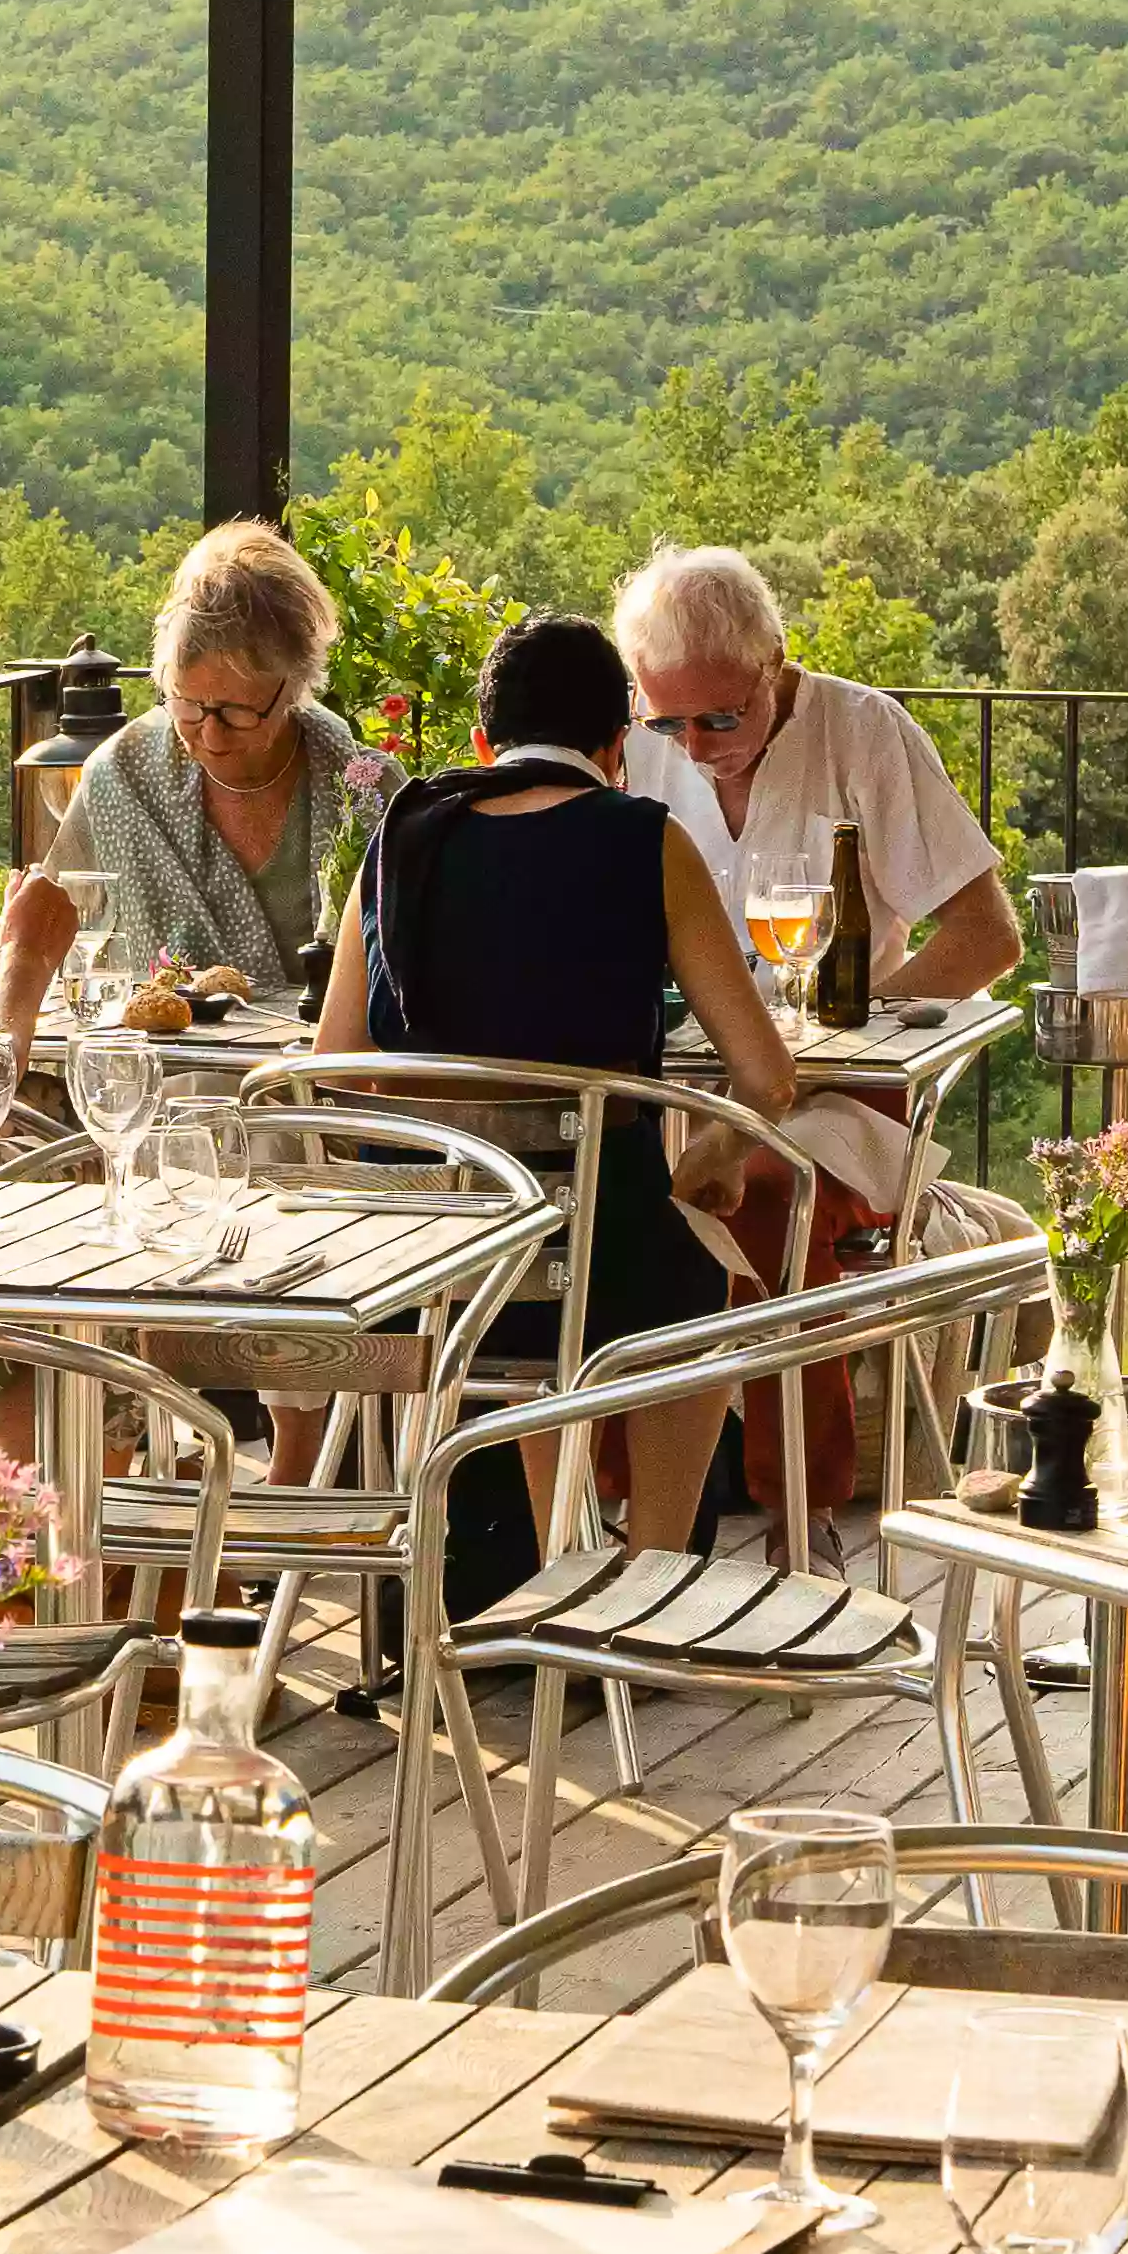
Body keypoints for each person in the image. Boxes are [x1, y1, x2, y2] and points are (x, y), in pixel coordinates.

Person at [313, 614, 800, 1584]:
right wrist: (704, 1165)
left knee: (550, 1293)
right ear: (616, 750)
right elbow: (766, 1076)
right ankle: (650, 1579)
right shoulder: (643, 840)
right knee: (704, 1281)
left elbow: (332, 1065)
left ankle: (546, 1564)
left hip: (417, 1265)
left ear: (483, 743)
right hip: (583, 1256)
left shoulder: (400, 837)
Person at [0, 518, 394, 1039]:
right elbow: (55, 924)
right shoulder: (123, 778)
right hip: (168, 1091)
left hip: (317, 1090)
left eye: (237, 711)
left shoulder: (362, 788)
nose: (211, 734)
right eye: (187, 705)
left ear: (295, 687)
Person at [605, 545, 1020, 1007]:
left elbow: (985, 937)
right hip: (670, 1064)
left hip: (836, 1062)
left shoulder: (865, 732)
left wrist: (851, 1034)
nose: (695, 748)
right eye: (668, 723)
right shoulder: (621, 736)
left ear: (772, 662)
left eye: (720, 719)